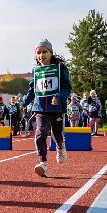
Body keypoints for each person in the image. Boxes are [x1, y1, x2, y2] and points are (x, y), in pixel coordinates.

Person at [23, 39, 71, 178]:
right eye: (38, 52)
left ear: (51, 53)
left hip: (56, 107)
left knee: (56, 133)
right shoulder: (36, 70)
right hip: (40, 108)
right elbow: (32, 89)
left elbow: (67, 87)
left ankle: (61, 147)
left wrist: (59, 96)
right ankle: (42, 163)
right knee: (40, 133)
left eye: (44, 52)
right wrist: (26, 101)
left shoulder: (60, 68)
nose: (41, 55)